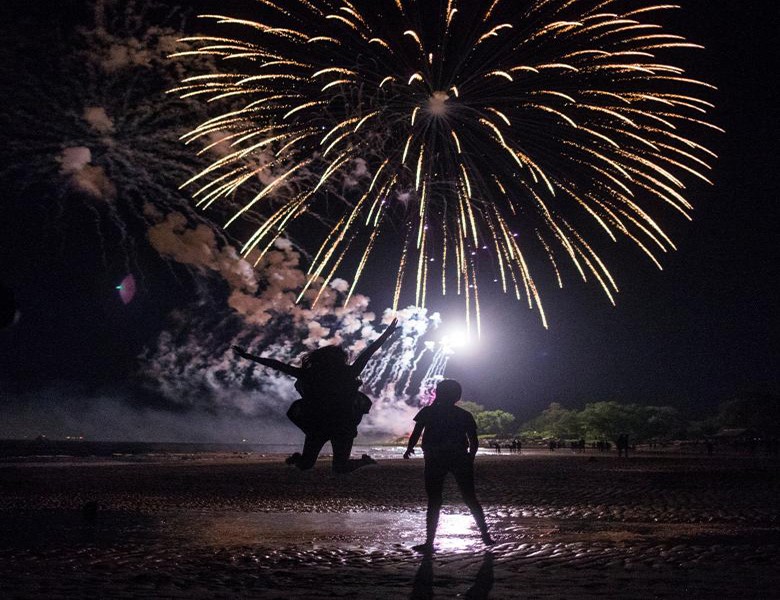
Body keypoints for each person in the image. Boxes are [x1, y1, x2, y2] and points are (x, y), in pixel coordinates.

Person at [233, 318, 398, 473]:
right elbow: (368, 352)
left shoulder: (311, 374)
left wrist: (250, 356)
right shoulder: (346, 372)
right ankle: (361, 461)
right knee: (324, 466)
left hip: (325, 424)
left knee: (319, 466)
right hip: (334, 424)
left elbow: (278, 365)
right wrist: (386, 334)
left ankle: (362, 461)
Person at [404, 379, 494, 552]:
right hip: (459, 458)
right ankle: (485, 536)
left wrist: (409, 449)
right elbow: (473, 441)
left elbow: (416, 433)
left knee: (434, 500)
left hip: (435, 459)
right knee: (470, 498)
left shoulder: (428, 412)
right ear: (457, 396)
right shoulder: (464, 415)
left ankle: (429, 542)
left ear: (438, 393)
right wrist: (470, 458)